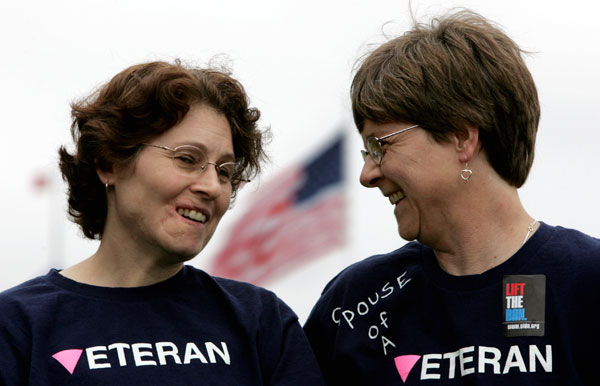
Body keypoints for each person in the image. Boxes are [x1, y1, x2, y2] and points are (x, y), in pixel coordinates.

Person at [304, 10, 600, 385]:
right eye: (367, 153)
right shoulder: (353, 301)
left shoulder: (587, 282)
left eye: (380, 146)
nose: (368, 175)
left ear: (461, 138)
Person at [0, 60, 324, 385]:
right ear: (109, 162)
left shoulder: (262, 320)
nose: (212, 186)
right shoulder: (16, 324)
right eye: (186, 159)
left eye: (224, 171)